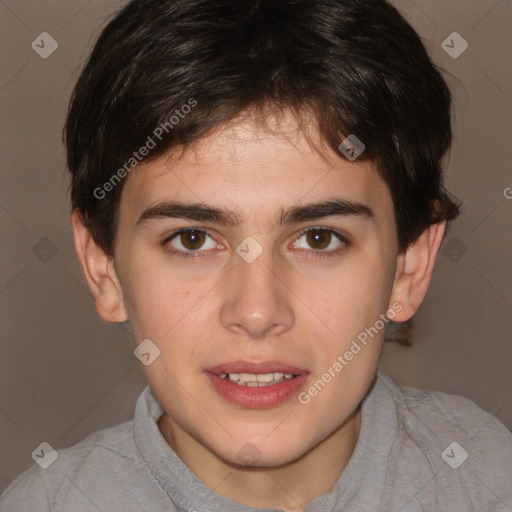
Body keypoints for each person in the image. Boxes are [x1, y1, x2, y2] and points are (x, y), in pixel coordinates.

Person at [1, 0, 511, 510]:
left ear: (409, 267)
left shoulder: (486, 479)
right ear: (103, 269)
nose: (257, 312)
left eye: (318, 239)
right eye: (192, 239)